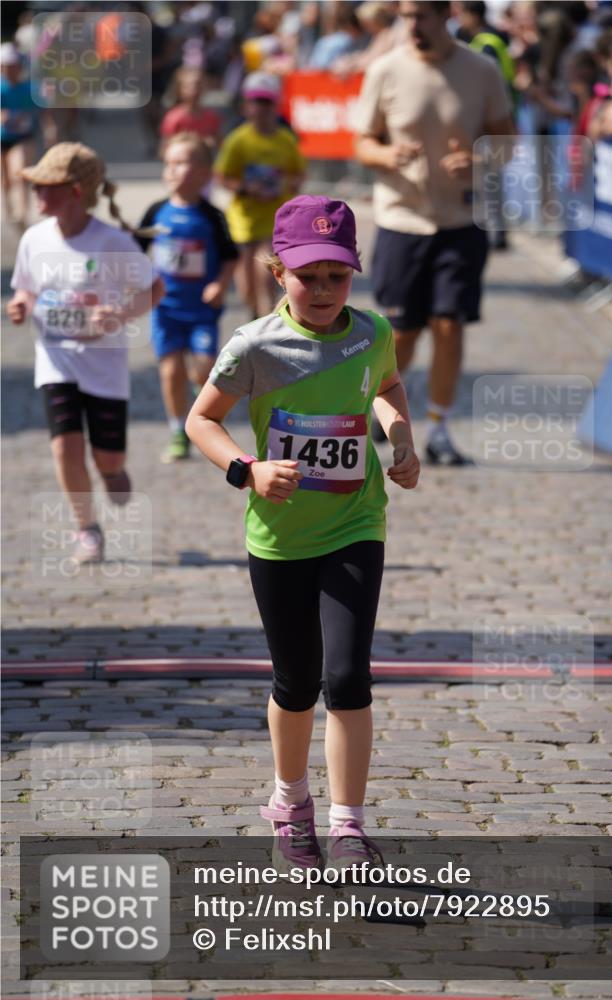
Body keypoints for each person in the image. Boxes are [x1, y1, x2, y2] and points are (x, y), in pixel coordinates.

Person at [185, 195, 420, 871]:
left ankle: (349, 825)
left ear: (354, 273)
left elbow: (387, 386)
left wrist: (400, 437)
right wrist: (247, 470)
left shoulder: (372, 332)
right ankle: (290, 803)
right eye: (307, 276)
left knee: (346, 676)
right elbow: (201, 420)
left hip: (355, 522)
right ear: (277, 272)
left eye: (336, 276)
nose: (322, 289)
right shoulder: (254, 344)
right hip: (280, 536)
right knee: (295, 680)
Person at [356, 0, 514, 465]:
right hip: (401, 219)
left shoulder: (481, 70)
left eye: (422, 15)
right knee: (402, 333)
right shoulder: (385, 69)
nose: (413, 25)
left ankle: (439, 430)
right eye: (406, 16)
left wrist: (479, 159)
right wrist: (387, 156)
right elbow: (362, 142)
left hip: (460, 220)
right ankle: (384, 406)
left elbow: (507, 140)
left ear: (446, 14)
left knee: (449, 325)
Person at [7, 143, 164, 563]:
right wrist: (21, 304)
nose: (37, 193)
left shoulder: (112, 242)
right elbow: (26, 288)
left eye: (46, 186)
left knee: (106, 457)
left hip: (104, 366)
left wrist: (121, 314)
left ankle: (112, 471)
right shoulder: (34, 238)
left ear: (75, 191)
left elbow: (154, 288)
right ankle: (86, 529)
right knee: (65, 447)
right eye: (35, 185)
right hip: (56, 360)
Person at [137, 132, 238, 463]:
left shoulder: (213, 216)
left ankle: (199, 404)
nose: (171, 169)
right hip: (165, 310)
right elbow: (134, 252)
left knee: (205, 368)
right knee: (170, 372)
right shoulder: (156, 212)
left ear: (204, 174)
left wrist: (220, 284)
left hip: (202, 311)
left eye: (181, 163)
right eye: (168, 163)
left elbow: (231, 256)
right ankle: (178, 431)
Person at [214, 71, 306, 320]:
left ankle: (267, 323)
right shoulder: (238, 140)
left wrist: (288, 185)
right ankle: (254, 315)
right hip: (244, 221)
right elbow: (222, 176)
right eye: (256, 102)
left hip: (275, 219)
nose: (261, 108)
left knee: (265, 276)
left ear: (276, 105)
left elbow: (299, 174)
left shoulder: (285, 140)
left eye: (267, 102)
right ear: (246, 106)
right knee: (247, 288)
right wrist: (247, 188)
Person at [1, 42, 39, 230]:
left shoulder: (29, 88)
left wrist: (51, 130)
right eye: (6, 66)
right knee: (5, 179)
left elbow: (43, 110)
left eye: (13, 66)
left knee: (20, 173)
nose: (10, 70)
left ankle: (23, 213)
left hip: (24, 137)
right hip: (3, 139)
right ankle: (8, 211)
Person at [159, 66, 223, 154]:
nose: (194, 90)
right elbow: (164, 148)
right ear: (179, 89)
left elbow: (220, 143)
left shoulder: (211, 116)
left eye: (198, 85)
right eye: (189, 86)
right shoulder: (173, 118)